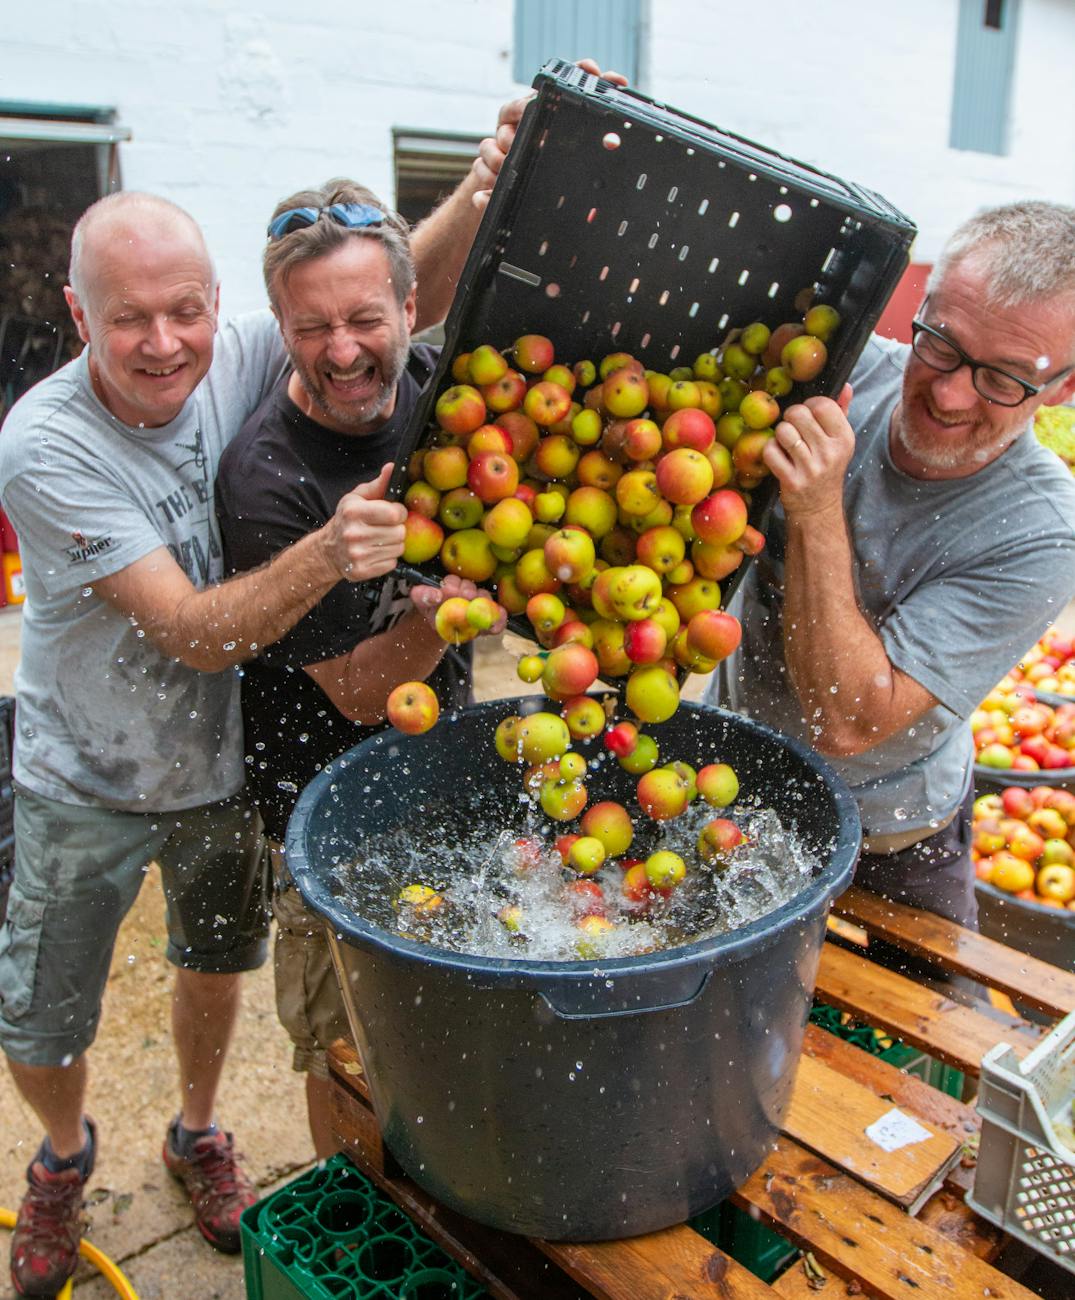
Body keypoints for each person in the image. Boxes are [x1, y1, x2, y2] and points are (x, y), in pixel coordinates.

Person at [0, 95, 524, 1296]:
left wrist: (485, 180)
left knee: (213, 961)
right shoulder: (48, 447)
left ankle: (195, 1130)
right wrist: (334, 556)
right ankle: (64, 1157)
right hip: (84, 770)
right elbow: (191, 633)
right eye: (130, 319)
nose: (167, 343)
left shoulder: (241, 347)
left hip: (214, 765)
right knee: (48, 1008)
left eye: (188, 310)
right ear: (82, 315)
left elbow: (393, 295)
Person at [215, 180, 506, 1157]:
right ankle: (353, 1201)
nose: (342, 350)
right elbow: (356, 689)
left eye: (363, 319)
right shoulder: (266, 478)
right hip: (320, 809)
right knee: (344, 1050)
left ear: (411, 308)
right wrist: (448, 605)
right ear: (280, 327)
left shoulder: (442, 394)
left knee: (446, 1026)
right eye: (311, 326)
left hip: (439, 764)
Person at [708, 201, 1075, 957]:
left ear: (1063, 389)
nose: (948, 394)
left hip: (890, 844)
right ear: (920, 309)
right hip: (730, 787)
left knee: (922, 1044)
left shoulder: (1040, 532)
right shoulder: (841, 376)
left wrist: (814, 509)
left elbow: (845, 721)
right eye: (939, 344)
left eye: (1004, 378)